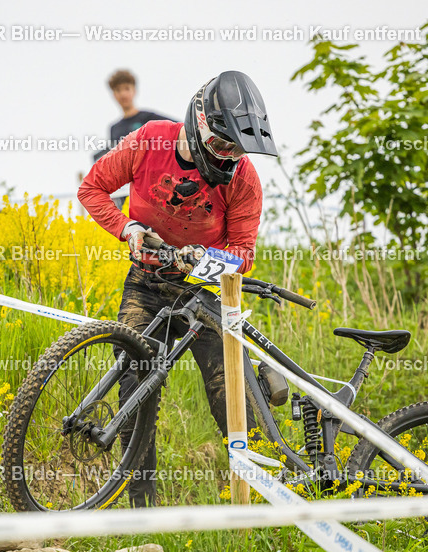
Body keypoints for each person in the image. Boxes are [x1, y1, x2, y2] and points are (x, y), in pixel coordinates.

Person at [77, 70, 278, 507]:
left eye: (237, 149)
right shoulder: (149, 140)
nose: (229, 156)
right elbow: (92, 188)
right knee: (134, 383)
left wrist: (206, 260)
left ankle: (259, 505)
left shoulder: (243, 178)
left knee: (232, 396)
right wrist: (124, 225)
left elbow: (244, 254)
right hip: (148, 283)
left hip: (207, 295)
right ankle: (141, 508)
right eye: (223, 145)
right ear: (200, 123)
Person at [93, 69, 172, 163]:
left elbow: (178, 129)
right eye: (118, 90)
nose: (123, 94)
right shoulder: (114, 129)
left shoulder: (148, 118)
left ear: (134, 91)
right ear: (114, 95)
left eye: (126, 88)